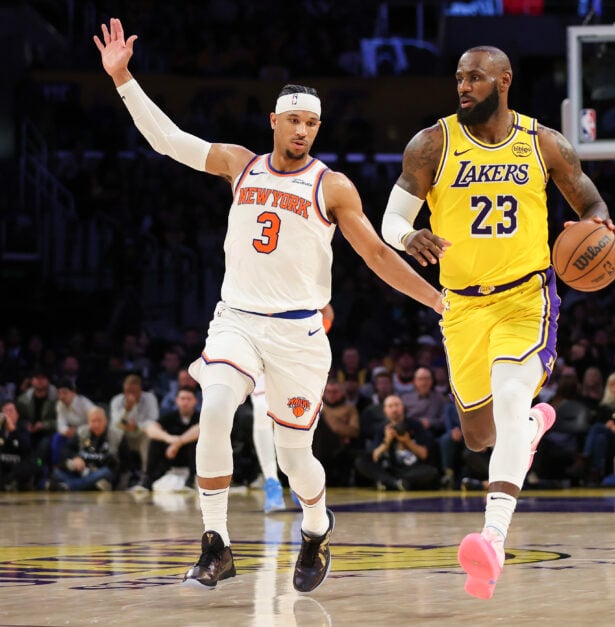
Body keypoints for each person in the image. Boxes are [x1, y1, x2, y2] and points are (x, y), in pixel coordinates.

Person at [95, 18, 443, 593]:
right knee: (215, 408)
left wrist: (434, 300)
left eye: (312, 123)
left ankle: (315, 524)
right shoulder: (240, 163)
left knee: (293, 455)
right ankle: (216, 544)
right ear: (275, 121)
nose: (303, 130)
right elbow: (168, 141)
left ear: (317, 128)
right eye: (295, 121)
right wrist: (123, 78)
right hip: (236, 320)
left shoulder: (332, 187)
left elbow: (378, 257)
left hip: (300, 335)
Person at [381, 45, 615, 598]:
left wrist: (603, 234)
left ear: (504, 80)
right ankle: (533, 427)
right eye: (459, 78)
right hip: (461, 305)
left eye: (475, 78)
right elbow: (391, 215)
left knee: (511, 401)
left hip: (524, 298)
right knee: (478, 435)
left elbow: (593, 206)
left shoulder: (544, 144)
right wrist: (407, 235)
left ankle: (491, 539)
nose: (463, 86)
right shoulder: (432, 143)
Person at [353, 394, 440, 491]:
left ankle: (389, 483)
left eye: (397, 405)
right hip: (389, 469)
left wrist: (408, 442)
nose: (394, 409)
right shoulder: (382, 428)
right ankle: (396, 483)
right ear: (385, 411)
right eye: (390, 406)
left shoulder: (415, 425)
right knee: (361, 461)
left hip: (411, 469)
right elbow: (375, 456)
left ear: (403, 407)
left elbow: (424, 455)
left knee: (431, 472)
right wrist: (387, 441)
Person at [132, 386, 201, 492]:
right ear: (177, 401)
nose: (185, 402)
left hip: (193, 459)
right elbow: (150, 429)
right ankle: (148, 480)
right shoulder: (169, 416)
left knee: (196, 442)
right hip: (171, 457)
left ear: (195, 401)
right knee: (155, 440)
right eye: (182, 398)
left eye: (189, 399)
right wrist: (169, 439)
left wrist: (178, 443)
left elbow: (200, 429)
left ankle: (191, 480)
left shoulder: (201, 416)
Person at [51, 406, 125, 492]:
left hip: (103, 472)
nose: (96, 424)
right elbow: (66, 450)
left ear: (106, 421)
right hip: (83, 472)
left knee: (105, 472)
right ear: (88, 422)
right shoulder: (82, 432)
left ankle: (68, 486)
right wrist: (75, 458)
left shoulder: (118, 435)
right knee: (57, 472)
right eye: (93, 421)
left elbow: (124, 464)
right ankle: (92, 486)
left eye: (99, 420)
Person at [250, 375, 287, 513]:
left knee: (293, 414)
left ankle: (299, 481)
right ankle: (272, 482)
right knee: (261, 407)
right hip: (263, 361)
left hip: (295, 363)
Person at [1, 400, 37, 491]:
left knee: (31, 465)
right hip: (3, 463)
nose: (9, 414)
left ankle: (10, 483)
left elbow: (26, 448)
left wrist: (13, 431)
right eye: (6, 411)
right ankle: (8, 484)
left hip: (19, 462)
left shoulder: (23, 429)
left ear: (17, 414)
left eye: (11, 411)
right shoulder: (1, 431)